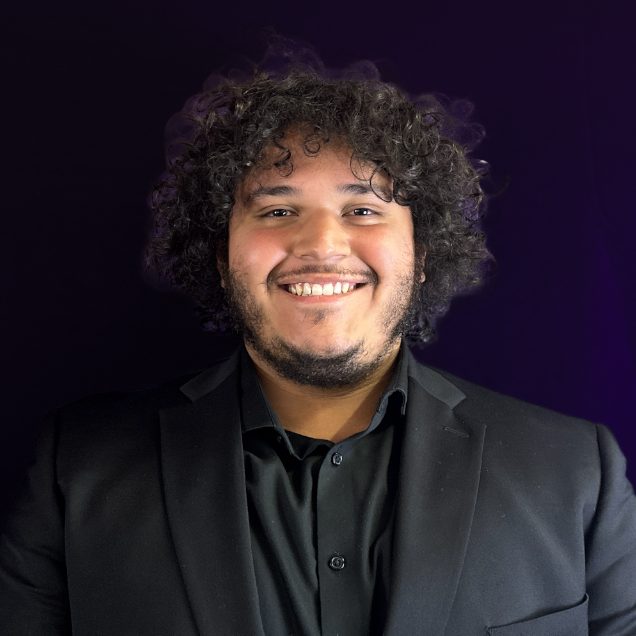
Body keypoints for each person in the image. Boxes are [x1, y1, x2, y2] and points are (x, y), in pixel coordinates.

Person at [1, 51, 635, 636]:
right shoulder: (78, 470)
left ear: (421, 257)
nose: (322, 245)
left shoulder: (575, 472)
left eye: (363, 210)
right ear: (221, 258)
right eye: (277, 211)